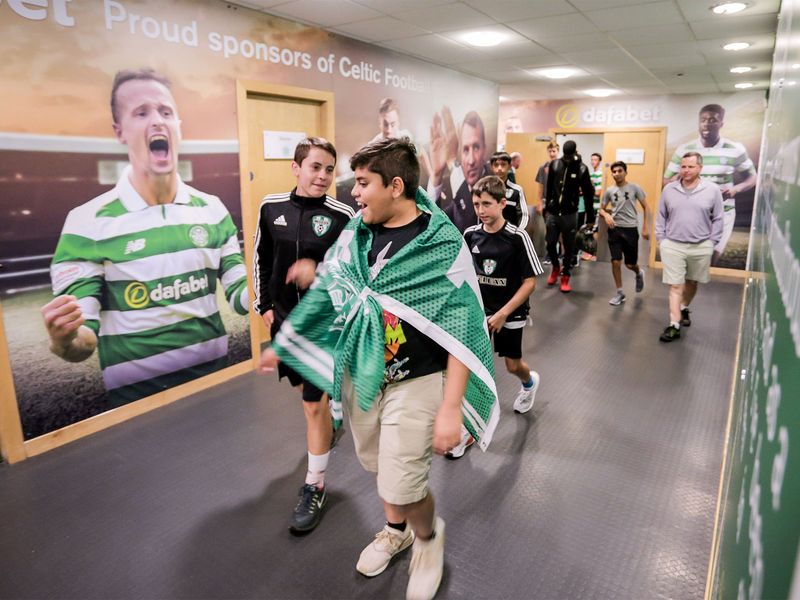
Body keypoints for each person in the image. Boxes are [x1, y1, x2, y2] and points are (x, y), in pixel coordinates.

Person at [261, 137, 498, 600]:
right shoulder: (357, 232)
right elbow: (335, 285)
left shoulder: (440, 244)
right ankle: (397, 531)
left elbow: (464, 329)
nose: (354, 193)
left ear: (395, 185)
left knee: (403, 481)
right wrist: (289, 342)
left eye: (363, 183)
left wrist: (451, 408)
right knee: (376, 466)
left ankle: (428, 539)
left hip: (419, 380)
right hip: (364, 375)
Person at [41, 68, 249, 407]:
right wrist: (64, 340)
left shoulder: (213, 210)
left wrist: (274, 279)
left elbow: (242, 299)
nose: (157, 121)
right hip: (136, 405)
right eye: (142, 112)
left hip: (217, 385)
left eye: (166, 112)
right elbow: (84, 342)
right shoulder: (85, 224)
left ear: (179, 126)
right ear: (119, 131)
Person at [253, 137, 355, 533]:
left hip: (323, 324)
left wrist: (321, 272)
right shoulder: (270, 207)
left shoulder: (343, 214)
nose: (324, 176)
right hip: (283, 321)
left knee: (311, 406)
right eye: (315, 167)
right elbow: (261, 257)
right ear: (296, 168)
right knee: (307, 396)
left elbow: (352, 271)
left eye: (330, 169)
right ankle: (332, 409)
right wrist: (264, 306)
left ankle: (315, 484)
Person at [446, 175, 543, 459]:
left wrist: (502, 313)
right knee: (472, 368)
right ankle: (468, 431)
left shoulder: (517, 237)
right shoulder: (470, 235)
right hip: (479, 313)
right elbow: (461, 274)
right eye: (476, 204)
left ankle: (529, 383)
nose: (480, 210)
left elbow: (530, 283)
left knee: (512, 365)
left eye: (486, 204)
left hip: (510, 311)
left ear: (502, 203)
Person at [662, 104, 756, 263]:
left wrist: (736, 189)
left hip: (722, 212)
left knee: (709, 259)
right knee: (687, 260)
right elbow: (666, 180)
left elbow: (752, 178)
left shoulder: (735, 149)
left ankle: (686, 285)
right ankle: (681, 287)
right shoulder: (684, 149)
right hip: (691, 212)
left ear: (721, 124)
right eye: (703, 120)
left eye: (713, 120)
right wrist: (677, 182)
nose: (707, 124)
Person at [655, 152, 723, 342]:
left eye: (690, 167)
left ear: (700, 168)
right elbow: (661, 215)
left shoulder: (712, 190)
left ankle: (684, 308)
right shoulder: (669, 190)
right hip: (673, 245)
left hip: (701, 246)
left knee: (692, 282)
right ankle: (674, 325)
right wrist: (662, 239)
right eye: (683, 166)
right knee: (676, 285)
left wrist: (712, 243)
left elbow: (718, 218)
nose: (686, 170)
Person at [542, 140, 595, 293]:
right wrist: (546, 208)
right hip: (553, 212)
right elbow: (549, 187)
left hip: (570, 214)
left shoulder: (582, 168)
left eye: (569, 155)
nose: (566, 158)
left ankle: (565, 276)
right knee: (550, 243)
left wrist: (590, 218)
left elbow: (588, 194)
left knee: (569, 247)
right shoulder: (555, 165)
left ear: (574, 153)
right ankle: (555, 267)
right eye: (564, 155)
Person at [427, 110, 490, 233]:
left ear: (485, 150)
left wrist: (451, 162)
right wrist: (437, 174)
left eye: (476, 147)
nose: (471, 160)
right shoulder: (458, 198)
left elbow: (474, 225)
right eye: (465, 149)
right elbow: (432, 225)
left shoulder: (498, 189)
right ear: (460, 153)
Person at [599, 161, 650, 306]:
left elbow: (646, 207)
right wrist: (606, 215)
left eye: (619, 171)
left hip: (630, 229)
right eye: (614, 172)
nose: (616, 174)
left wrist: (645, 227)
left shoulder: (634, 188)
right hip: (615, 229)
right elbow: (601, 209)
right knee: (615, 261)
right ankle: (620, 293)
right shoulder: (609, 191)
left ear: (625, 172)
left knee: (630, 264)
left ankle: (638, 272)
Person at [489, 151, 529, 229]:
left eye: (503, 164)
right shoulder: (484, 189)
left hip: (511, 237)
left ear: (509, 166)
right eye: (496, 165)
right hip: (489, 236)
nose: (499, 168)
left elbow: (524, 215)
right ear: (491, 167)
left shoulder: (517, 190)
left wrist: (518, 233)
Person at [535, 141, 559, 264]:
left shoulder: (563, 166)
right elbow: (540, 186)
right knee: (550, 230)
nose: (552, 153)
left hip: (560, 205)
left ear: (558, 151)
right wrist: (539, 202)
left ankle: (561, 255)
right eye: (550, 151)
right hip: (547, 203)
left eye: (554, 151)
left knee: (561, 231)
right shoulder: (543, 167)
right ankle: (550, 254)